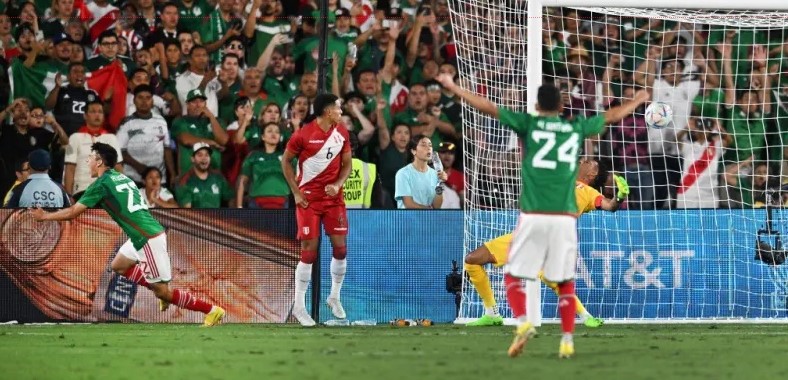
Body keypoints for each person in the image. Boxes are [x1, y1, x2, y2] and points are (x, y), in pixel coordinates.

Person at [436, 73, 649, 358]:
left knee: (515, 273)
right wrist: (637, 100)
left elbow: (488, 107)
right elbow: (609, 117)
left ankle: (523, 323)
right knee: (560, 278)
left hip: (535, 212)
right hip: (562, 220)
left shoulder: (531, 125)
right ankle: (567, 338)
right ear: (561, 108)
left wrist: (453, 87)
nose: (583, 160)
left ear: (537, 106)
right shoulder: (573, 129)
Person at [30, 142, 226, 326]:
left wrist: (44, 216)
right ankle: (159, 289)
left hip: (147, 239)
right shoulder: (122, 177)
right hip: (142, 234)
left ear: (99, 161)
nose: (87, 161)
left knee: (164, 293)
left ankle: (211, 310)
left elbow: (74, 212)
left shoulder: (101, 184)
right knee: (119, 265)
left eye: (90, 157)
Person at [463, 158, 630, 328]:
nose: (582, 160)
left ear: (592, 174)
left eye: (588, 162)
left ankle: (586, 317)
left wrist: (620, 196)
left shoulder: (589, 192)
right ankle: (492, 314)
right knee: (472, 260)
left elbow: (610, 206)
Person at [281, 93, 352, 326]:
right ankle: (299, 307)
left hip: (334, 199)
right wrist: (296, 193)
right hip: (308, 200)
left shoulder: (342, 132)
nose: (341, 112)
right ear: (327, 111)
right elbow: (285, 162)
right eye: (339, 108)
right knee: (309, 252)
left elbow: (347, 164)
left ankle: (334, 296)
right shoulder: (303, 134)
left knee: (341, 249)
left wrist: (338, 184)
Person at [394, 134, 448, 209]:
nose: (428, 148)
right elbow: (408, 204)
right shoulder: (403, 173)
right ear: (413, 151)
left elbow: (437, 206)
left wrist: (440, 182)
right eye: (423, 145)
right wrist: (428, 210)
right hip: (407, 219)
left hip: (428, 219)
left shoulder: (435, 174)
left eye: (430, 145)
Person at [5, 150, 71, 208]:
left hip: (28, 222)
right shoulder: (60, 189)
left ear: (29, 166)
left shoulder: (18, 189)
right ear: (50, 166)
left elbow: (7, 214)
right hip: (54, 222)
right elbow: (69, 214)